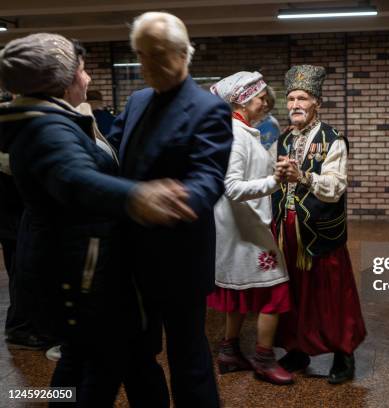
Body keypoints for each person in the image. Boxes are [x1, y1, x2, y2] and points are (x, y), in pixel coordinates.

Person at [0, 33, 194, 406]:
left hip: (86, 263)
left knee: (100, 359)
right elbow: (77, 179)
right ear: (61, 80)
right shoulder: (47, 129)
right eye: (83, 71)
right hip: (81, 269)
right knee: (101, 367)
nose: (88, 80)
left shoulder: (58, 118)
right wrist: (139, 196)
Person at [106, 12, 233, 407]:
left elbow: (209, 179)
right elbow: (112, 155)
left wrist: (174, 200)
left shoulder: (208, 109)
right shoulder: (138, 100)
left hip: (180, 255)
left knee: (188, 358)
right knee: (135, 353)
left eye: (157, 55)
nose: (147, 66)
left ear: (183, 53)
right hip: (129, 255)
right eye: (141, 56)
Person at [273, 64, 367, 384]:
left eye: (302, 98)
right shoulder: (284, 140)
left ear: (317, 102)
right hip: (288, 229)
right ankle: (298, 349)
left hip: (321, 229)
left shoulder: (333, 139)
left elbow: (335, 187)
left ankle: (344, 353)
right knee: (294, 291)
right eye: (291, 99)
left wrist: (303, 176)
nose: (295, 105)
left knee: (331, 294)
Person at [208, 71, 293, 385]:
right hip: (243, 226)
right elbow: (232, 186)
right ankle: (263, 357)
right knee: (276, 289)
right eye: (261, 98)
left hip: (240, 224)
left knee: (239, 291)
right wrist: (275, 181)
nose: (265, 103)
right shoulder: (237, 135)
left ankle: (229, 351)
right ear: (242, 99)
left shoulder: (242, 131)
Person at [255, 85, 282, 150]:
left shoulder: (271, 124)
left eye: (267, 101)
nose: (265, 104)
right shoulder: (252, 120)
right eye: (261, 99)